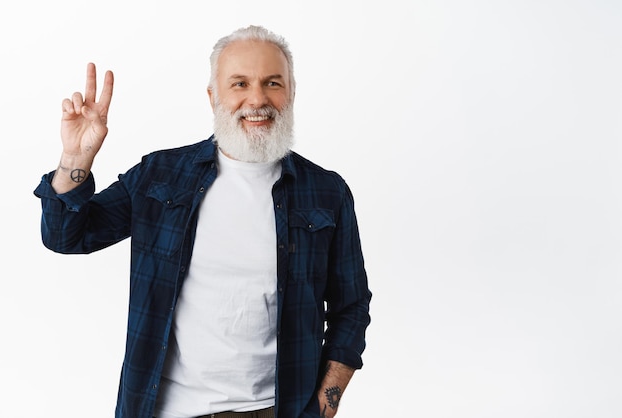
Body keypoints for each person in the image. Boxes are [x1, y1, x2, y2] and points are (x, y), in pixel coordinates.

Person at [34, 25, 371, 418]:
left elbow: (351, 306)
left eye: (272, 83)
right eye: (239, 84)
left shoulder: (327, 192)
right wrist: (76, 159)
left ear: (291, 92)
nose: (257, 99)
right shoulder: (159, 176)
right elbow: (65, 237)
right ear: (213, 97)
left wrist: (325, 404)